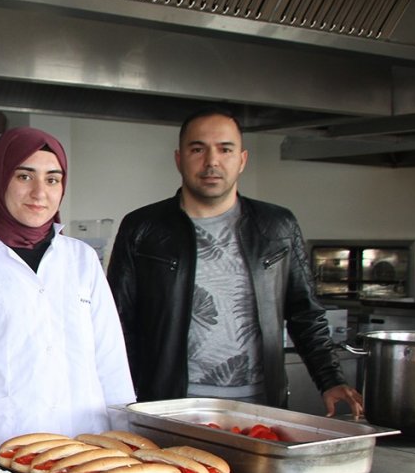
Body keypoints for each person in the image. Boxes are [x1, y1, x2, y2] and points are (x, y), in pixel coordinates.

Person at [106, 108, 364, 416]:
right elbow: (117, 323)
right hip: (170, 405)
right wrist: (126, 400)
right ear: (179, 159)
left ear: (242, 160)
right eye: (197, 149)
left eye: (225, 149)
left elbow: (305, 313)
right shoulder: (142, 227)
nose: (211, 162)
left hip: (260, 406)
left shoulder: (277, 225)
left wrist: (330, 380)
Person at [0, 127, 135, 453]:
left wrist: (127, 443)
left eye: (52, 179)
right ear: (0, 178)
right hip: (2, 446)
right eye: (24, 176)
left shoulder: (82, 259)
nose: (39, 192)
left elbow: (111, 362)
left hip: (87, 445)